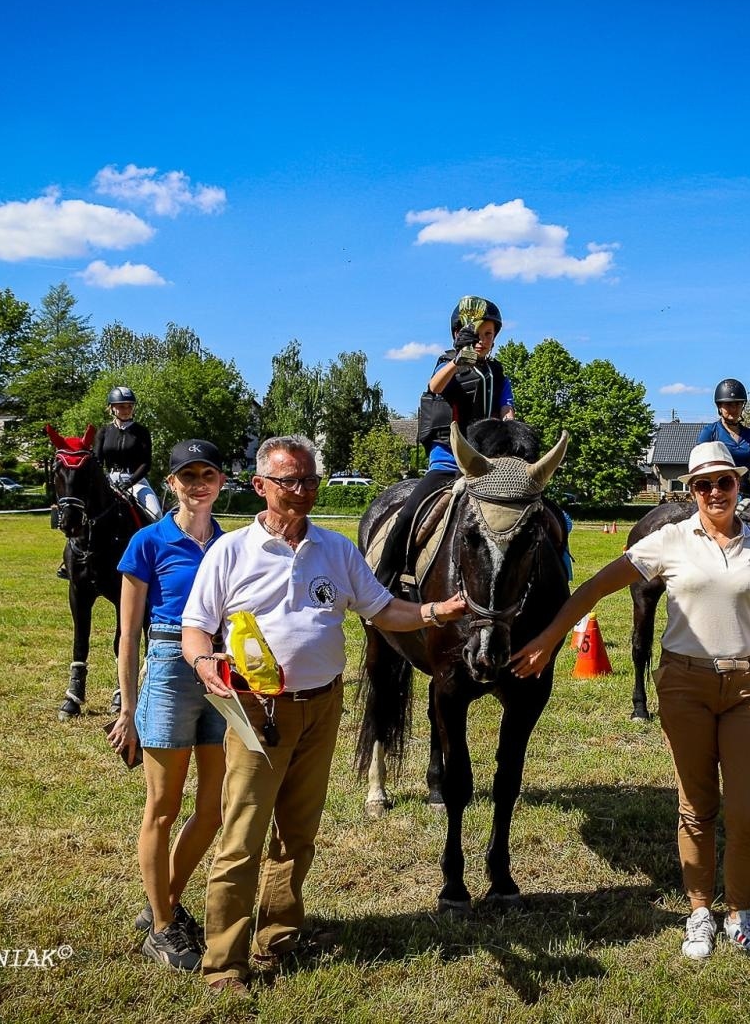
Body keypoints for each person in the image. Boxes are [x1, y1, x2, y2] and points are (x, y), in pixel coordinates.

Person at [182, 434, 469, 992]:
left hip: (322, 706)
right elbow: (197, 624)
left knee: (298, 832)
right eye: (290, 481)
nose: (303, 491)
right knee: (242, 835)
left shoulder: (336, 549)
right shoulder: (231, 551)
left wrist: (436, 610)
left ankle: (279, 937)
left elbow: (383, 610)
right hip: (257, 711)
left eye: (311, 480)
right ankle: (224, 963)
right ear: (260, 485)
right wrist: (201, 662)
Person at [509, 440, 750, 962]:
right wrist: (550, 639)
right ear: (690, 491)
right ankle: (698, 912)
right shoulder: (669, 541)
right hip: (685, 686)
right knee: (696, 807)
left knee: (749, 812)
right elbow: (593, 589)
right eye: (704, 484)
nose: (716, 492)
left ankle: (740, 914)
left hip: (748, 689)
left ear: (739, 485)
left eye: (725, 482)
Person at [106, 440, 229, 973]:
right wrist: (128, 709)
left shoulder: (231, 544)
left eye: (208, 474)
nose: (198, 483)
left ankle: (164, 901)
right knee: (163, 805)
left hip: (220, 672)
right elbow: (126, 635)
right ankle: (162, 928)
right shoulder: (147, 541)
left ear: (222, 481)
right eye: (187, 475)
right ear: (172, 482)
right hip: (167, 664)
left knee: (215, 807)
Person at [373, 296, 513, 590]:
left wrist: (512, 430)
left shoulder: (498, 374)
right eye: (476, 334)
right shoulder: (446, 364)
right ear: (458, 335)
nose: (482, 341)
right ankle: (382, 584)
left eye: (488, 335)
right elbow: (435, 386)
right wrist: (457, 358)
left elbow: (506, 411)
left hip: (485, 464)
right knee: (409, 515)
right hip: (448, 460)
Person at [96, 386, 162, 522]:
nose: (126, 411)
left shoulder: (142, 432)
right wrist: (103, 481)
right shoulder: (103, 432)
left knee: (156, 515)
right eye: (121, 406)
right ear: (112, 407)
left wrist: (130, 482)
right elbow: (97, 461)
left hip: (136, 481)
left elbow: (146, 463)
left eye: (129, 406)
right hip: (109, 481)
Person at [697, 378, 750, 498]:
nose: (734, 409)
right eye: (729, 404)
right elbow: (699, 471)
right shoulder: (709, 433)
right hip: (718, 494)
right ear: (719, 406)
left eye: (738, 404)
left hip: (745, 494)